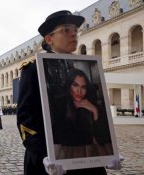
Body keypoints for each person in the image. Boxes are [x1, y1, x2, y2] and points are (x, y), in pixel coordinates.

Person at [17, 10, 121, 175]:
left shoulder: (82, 69)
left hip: (87, 160)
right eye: (66, 30)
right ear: (49, 39)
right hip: (51, 161)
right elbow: (26, 120)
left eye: (75, 30)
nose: (74, 34)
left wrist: (108, 153)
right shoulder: (33, 69)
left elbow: (98, 119)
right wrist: (44, 155)